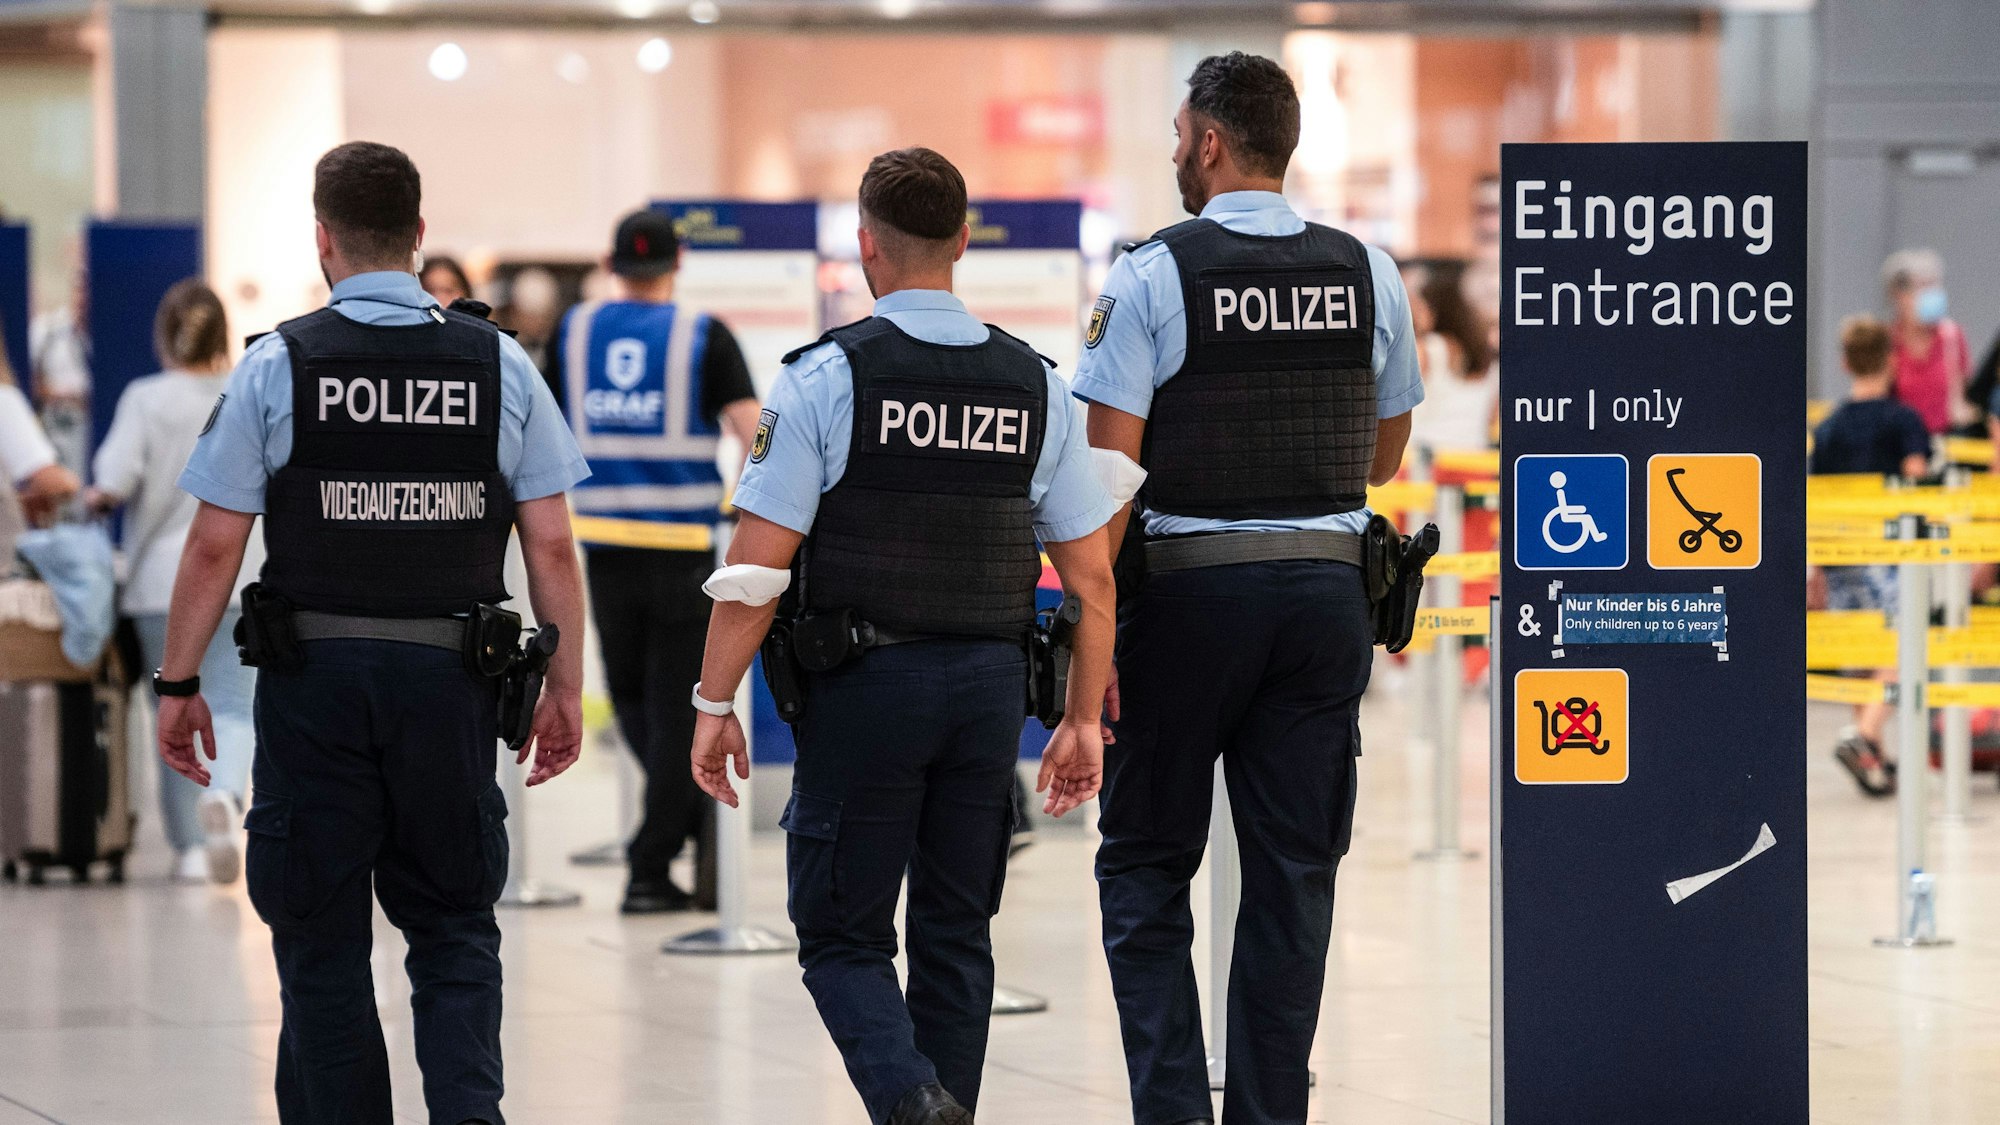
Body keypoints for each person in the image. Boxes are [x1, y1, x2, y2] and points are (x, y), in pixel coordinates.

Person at [157, 141, 589, 1125]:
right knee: (453, 930)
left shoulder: (279, 364)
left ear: (323, 238)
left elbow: (215, 546)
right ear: (418, 234)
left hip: (314, 687)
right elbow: (552, 544)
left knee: (320, 940)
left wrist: (178, 685)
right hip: (451, 687)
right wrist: (563, 685)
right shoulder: (497, 363)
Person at [688, 147, 1119, 1125]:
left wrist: (713, 701)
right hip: (987, 691)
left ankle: (912, 1102)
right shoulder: (1034, 385)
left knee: (841, 935)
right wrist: (1082, 718)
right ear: (963, 241)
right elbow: (1091, 577)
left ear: (864, 245)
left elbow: (755, 572)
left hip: (865, 691)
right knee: (956, 935)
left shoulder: (823, 379)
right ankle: (937, 1104)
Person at [1072, 53, 1422, 1125]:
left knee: (1145, 867)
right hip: (1324, 603)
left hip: (1186, 606)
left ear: (1212, 142)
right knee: (1292, 877)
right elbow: (1382, 461)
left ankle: (1174, 1110)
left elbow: (1106, 484)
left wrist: (1089, 655)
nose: (1175, 152)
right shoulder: (1367, 270)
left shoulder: (1150, 275)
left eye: (1180, 135)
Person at [547, 209, 762, 914]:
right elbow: (754, 433)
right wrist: (747, 516)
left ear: (611, 265)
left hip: (603, 546)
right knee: (676, 710)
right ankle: (656, 857)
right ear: (680, 261)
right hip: (684, 553)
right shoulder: (704, 335)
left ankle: (663, 846)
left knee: (635, 703)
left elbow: (538, 431)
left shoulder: (574, 332)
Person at [89, 279, 263, 884]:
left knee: (171, 707)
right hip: (242, 573)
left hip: (160, 585)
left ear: (163, 335)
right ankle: (226, 796)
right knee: (235, 704)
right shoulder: (247, 390)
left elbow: (112, 480)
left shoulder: (145, 399)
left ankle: (189, 847)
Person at [1810, 314, 1930, 797]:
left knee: (1860, 660)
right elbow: (1916, 476)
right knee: (1904, 650)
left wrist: (1816, 565)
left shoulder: (1829, 428)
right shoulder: (1903, 420)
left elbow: (1815, 499)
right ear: (1892, 360)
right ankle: (1865, 735)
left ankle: (1871, 758)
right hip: (1885, 553)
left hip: (1840, 554)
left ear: (1844, 363)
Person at [1882, 248, 1970, 437]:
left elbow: (1962, 397)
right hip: (1902, 441)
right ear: (1900, 295)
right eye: (1924, 286)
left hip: (1946, 440)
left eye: (1935, 284)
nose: (1933, 293)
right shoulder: (1888, 341)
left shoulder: (1952, 337)